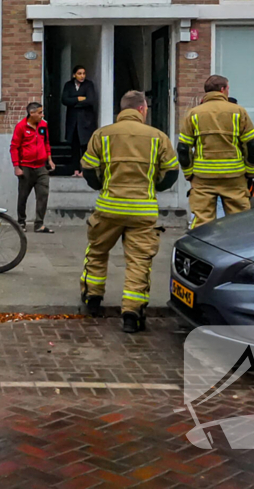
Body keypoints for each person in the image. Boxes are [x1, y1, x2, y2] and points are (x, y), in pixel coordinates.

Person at [79, 91, 179, 333]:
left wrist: (104, 186)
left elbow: (88, 169)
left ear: (121, 110)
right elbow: (172, 172)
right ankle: (131, 315)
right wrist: (152, 187)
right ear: (142, 109)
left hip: (109, 207)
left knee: (97, 252)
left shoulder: (102, 134)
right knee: (139, 262)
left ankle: (92, 299)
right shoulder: (158, 136)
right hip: (142, 210)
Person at [177, 75, 254, 229]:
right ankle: (237, 250)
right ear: (222, 90)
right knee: (239, 221)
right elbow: (252, 146)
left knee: (202, 223)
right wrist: (251, 171)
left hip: (203, 177)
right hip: (234, 177)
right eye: (228, 88)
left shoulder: (194, 113)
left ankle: (202, 251)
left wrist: (189, 173)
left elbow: (183, 148)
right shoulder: (238, 112)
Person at [10, 102, 57, 233]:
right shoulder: (21, 127)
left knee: (43, 194)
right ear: (32, 113)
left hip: (41, 167)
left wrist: (49, 159)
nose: (42, 115)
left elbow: (46, 142)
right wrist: (16, 166)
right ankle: (21, 222)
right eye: (40, 112)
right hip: (26, 167)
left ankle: (39, 224)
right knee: (23, 195)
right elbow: (14, 147)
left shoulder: (43, 125)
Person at [61, 65, 97, 177]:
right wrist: (78, 98)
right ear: (74, 75)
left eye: (83, 74)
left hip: (86, 121)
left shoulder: (89, 85)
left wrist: (74, 103)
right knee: (74, 146)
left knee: (85, 146)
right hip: (73, 121)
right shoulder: (68, 85)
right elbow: (64, 100)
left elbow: (90, 100)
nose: (82, 76)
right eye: (79, 73)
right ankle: (75, 169)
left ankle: (84, 170)